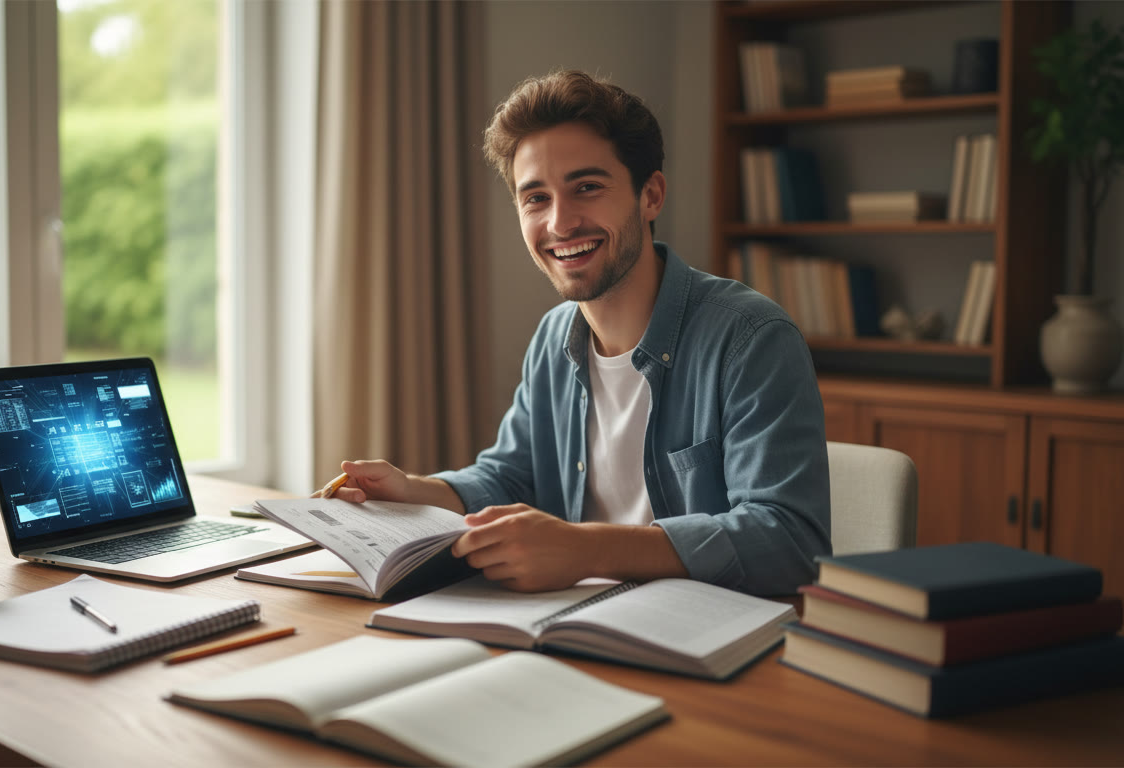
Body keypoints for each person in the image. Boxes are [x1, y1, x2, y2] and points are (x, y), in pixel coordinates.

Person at [325, 70, 830, 596]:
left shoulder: (751, 338)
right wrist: (415, 491)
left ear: (650, 195)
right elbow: (510, 478)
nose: (561, 223)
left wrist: (584, 548)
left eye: (586, 187)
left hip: (708, 641)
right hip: (574, 624)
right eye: (536, 198)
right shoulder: (553, 338)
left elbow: (791, 543)